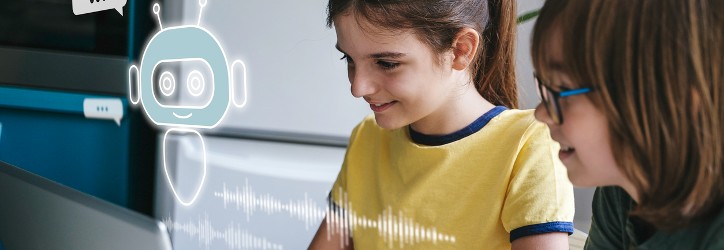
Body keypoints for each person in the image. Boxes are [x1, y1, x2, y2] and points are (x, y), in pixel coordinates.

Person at [309, 0, 575, 249]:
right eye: (349, 60)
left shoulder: (528, 143)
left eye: (387, 63)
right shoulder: (367, 138)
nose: (358, 87)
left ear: (461, 50)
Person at [530, 0, 724, 249]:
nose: (541, 114)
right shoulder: (621, 190)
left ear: (671, 100)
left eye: (563, 89)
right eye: (545, 87)